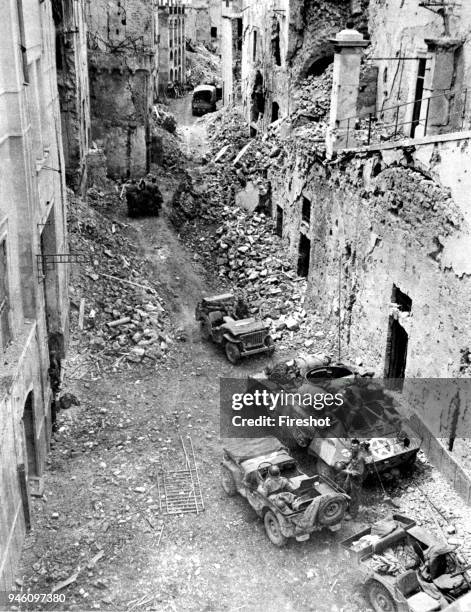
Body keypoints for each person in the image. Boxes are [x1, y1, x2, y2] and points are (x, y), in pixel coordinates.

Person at [340, 440, 365, 519]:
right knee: (345, 490)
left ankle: (352, 514)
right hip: (350, 477)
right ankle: (346, 508)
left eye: (355, 446)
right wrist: (344, 462)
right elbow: (351, 460)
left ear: (358, 447)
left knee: (354, 496)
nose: (353, 448)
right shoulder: (353, 453)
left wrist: (348, 471)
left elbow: (359, 472)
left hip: (356, 479)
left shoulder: (360, 458)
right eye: (352, 446)